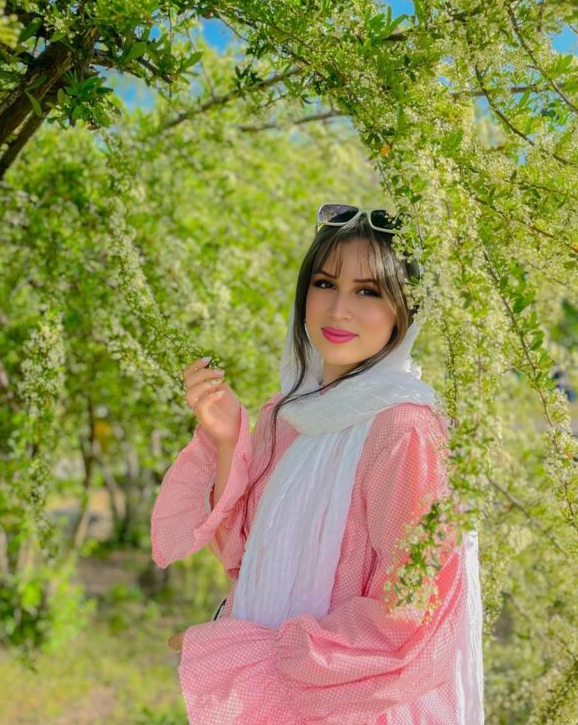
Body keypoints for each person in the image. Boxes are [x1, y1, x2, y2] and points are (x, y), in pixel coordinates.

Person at [151, 204, 485, 724]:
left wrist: (250, 655)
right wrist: (227, 440)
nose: (338, 310)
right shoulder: (288, 415)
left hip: (353, 705)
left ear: (406, 308)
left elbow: (408, 614)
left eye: (368, 292)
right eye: (325, 284)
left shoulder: (404, 431)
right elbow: (244, 556)